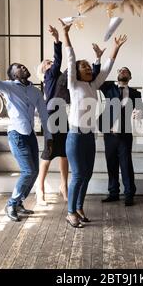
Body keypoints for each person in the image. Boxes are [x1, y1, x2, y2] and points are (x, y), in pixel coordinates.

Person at [0, 41, 52, 222]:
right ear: (13, 74)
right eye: (18, 67)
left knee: (35, 172)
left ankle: (19, 202)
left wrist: (49, 138)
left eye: (23, 66)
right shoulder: (9, 87)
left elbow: (44, 116)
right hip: (16, 135)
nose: (23, 67)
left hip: (29, 134)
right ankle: (11, 203)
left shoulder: (35, 91)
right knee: (28, 171)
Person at [60, 18, 128, 228]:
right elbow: (71, 59)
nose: (88, 68)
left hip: (89, 136)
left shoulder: (92, 85)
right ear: (77, 71)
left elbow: (105, 70)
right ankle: (70, 212)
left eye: (89, 66)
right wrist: (65, 35)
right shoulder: (73, 84)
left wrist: (115, 49)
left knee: (87, 175)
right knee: (78, 174)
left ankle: (79, 208)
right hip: (75, 136)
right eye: (85, 66)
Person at [35, 25, 103, 205]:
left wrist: (96, 62)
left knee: (64, 153)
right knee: (48, 153)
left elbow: (88, 76)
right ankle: (39, 189)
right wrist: (57, 39)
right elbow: (60, 60)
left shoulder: (64, 78)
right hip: (51, 115)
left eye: (50, 62)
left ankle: (63, 186)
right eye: (46, 63)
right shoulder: (49, 77)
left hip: (64, 116)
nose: (50, 64)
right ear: (43, 71)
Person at [98, 67, 143, 207]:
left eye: (126, 71)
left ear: (130, 77)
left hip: (125, 135)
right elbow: (98, 77)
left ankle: (129, 194)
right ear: (117, 75)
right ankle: (113, 193)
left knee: (126, 165)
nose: (122, 72)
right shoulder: (109, 88)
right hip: (110, 134)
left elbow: (142, 111)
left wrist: (140, 113)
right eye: (120, 71)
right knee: (111, 164)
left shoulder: (135, 93)